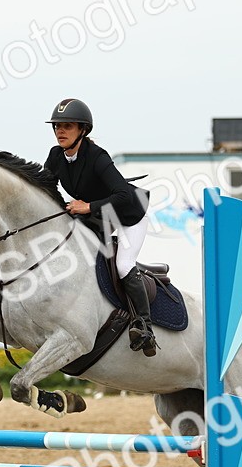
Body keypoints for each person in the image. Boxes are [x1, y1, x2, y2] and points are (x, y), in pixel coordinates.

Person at [43, 98, 157, 356]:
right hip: (98, 218)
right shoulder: (55, 156)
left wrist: (87, 207)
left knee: (123, 265)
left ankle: (144, 326)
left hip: (129, 215)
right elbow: (44, 188)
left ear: (83, 130)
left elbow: (124, 195)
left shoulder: (97, 157)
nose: (60, 131)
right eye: (57, 127)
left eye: (67, 126)